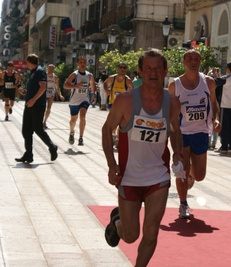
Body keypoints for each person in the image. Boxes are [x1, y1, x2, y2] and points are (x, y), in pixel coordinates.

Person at [102, 48, 182, 267]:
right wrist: (112, 164)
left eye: (158, 68)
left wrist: (179, 156)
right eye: (148, 68)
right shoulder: (125, 100)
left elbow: (176, 132)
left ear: (165, 71)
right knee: (130, 235)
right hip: (129, 177)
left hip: (158, 177)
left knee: (152, 232)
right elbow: (107, 129)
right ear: (139, 72)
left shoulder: (173, 102)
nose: (153, 73)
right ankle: (117, 221)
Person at [168, 49, 221, 219]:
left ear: (200, 62)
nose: (193, 61)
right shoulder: (174, 85)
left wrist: (216, 119)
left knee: (200, 175)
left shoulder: (209, 83)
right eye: (189, 58)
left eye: (196, 59)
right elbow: (169, 110)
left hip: (201, 132)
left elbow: (213, 103)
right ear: (183, 62)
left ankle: (191, 174)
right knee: (181, 170)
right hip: (182, 133)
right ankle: (183, 204)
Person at [15, 54, 58, 163]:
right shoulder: (33, 73)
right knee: (26, 131)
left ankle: (52, 147)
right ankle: (28, 154)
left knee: (38, 129)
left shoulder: (39, 71)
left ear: (29, 62)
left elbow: (43, 86)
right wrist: (24, 92)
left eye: (26, 62)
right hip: (29, 105)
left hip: (37, 105)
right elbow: (35, 88)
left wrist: (34, 99)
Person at [63, 56, 96, 146]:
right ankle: (71, 132)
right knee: (73, 120)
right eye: (80, 62)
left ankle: (81, 137)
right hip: (74, 100)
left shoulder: (89, 75)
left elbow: (92, 84)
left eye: (84, 62)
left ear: (86, 64)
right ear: (77, 64)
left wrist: (93, 94)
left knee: (82, 117)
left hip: (84, 99)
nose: (82, 64)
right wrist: (75, 86)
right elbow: (65, 85)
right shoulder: (74, 75)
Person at [214, 62, 231, 155]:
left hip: (226, 105)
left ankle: (224, 147)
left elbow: (216, 81)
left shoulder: (228, 78)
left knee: (225, 127)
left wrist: (214, 74)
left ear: (228, 68)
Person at [43, 64, 64, 129]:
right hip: (43, 92)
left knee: (49, 108)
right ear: (47, 69)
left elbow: (57, 87)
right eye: (50, 68)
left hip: (51, 92)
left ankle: (44, 122)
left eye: (52, 68)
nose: (51, 69)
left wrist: (60, 95)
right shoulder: (44, 75)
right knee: (42, 107)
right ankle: (40, 121)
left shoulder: (55, 77)